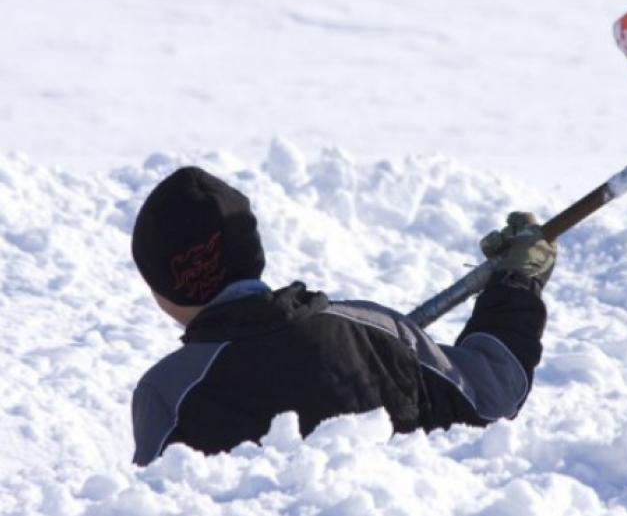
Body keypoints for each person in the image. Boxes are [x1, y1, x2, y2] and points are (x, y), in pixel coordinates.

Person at [130, 166, 556, 466]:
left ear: (161, 287)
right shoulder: (377, 332)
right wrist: (518, 281)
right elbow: (492, 393)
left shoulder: (166, 392)